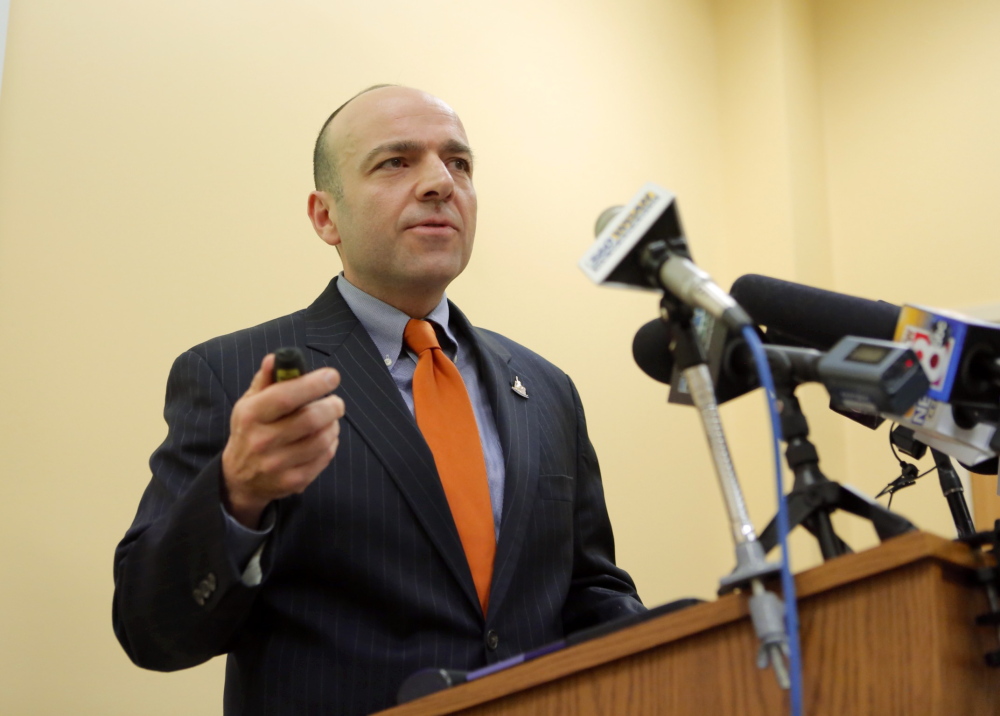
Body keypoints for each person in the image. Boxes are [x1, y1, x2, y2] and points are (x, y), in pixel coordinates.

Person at [113, 85, 644, 715]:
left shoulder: (545, 387)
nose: (440, 183)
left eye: (460, 163)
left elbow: (589, 589)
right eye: (396, 162)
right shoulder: (234, 376)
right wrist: (239, 493)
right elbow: (152, 628)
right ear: (324, 216)